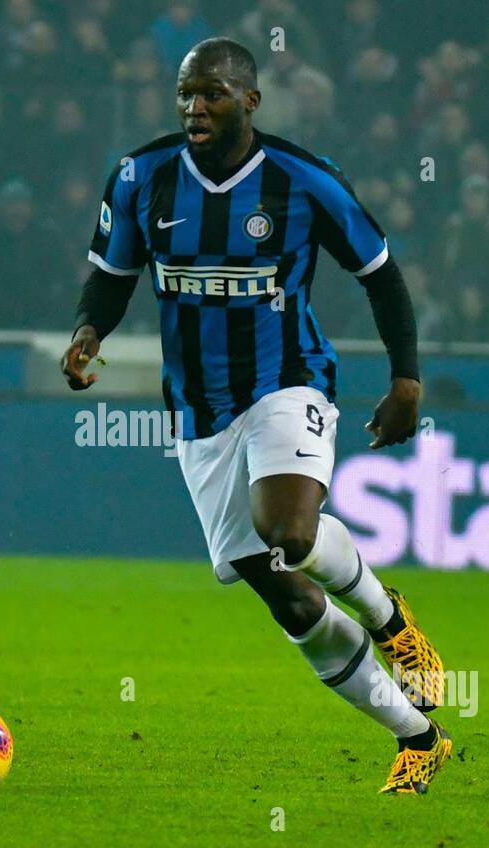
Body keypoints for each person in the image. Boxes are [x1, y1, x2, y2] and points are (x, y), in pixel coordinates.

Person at [61, 37, 452, 795]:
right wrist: (87, 334)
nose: (192, 108)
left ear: (250, 100)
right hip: (198, 412)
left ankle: (391, 622)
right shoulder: (142, 178)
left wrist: (406, 381)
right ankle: (418, 736)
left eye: (209, 93)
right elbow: (109, 279)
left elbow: (382, 276)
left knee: (290, 533)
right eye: (183, 94)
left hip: (287, 381)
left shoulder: (303, 182)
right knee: (289, 596)